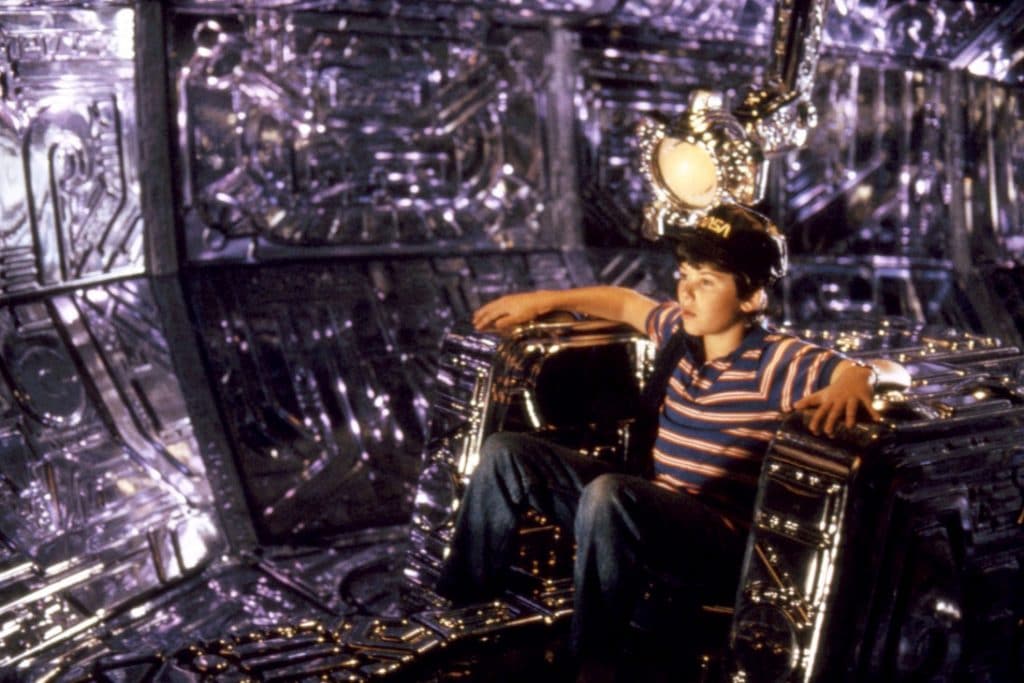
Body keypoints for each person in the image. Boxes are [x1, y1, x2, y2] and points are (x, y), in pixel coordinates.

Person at [435, 203, 882, 682]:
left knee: (609, 494)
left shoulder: (777, 361)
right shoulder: (679, 333)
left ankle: (595, 664)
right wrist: (543, 300)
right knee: (506, 454)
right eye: (684, 274)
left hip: (714, 546)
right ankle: (464, 618)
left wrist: (857, 379)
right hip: (644, 510)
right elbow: (625, 302)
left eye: (707, 281)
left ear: (751, 297)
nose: (686, 290)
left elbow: (873, 370)